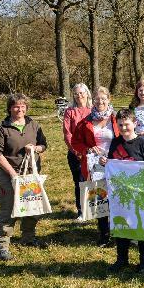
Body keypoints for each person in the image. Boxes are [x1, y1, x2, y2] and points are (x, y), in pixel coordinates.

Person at [0, 93, 49, 260]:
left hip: (31, 174)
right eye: (16, 106)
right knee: (9, 210)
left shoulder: (34, 125)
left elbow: (43, 144)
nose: (20, 109)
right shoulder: (2, 128)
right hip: (10, 175)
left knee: (32, 207)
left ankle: (28, 238)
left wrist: (36, 148)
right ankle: (2, 245)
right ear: (10, 108)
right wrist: (12, 174)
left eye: (23, 106)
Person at [102, 109, 144, 273]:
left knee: (142, 227)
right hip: (120, 193)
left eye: (126, 124)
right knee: (121, 225)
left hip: (140, 193)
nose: (124, 128)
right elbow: (112, 164)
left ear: (134, 123)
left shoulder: (143, 144)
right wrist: (106, 162)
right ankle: (121, 259)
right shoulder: (115, 143)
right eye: (120, 125)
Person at [71, 86, 120, 246]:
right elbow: (75, 142)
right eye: (97, 99)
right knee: (100, 197)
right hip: (94, 165)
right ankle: (104, 234)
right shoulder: (86, 121)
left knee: (116, 197)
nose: (100, 102)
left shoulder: (115, 119)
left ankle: (119, 232)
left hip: (114, 162)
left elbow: (125, 136)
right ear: (93, 100)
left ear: (109, 99)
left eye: (103, 99)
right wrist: (87, 149)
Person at [62, 83, 92, 219]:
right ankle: (81, 211)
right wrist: (76, 151)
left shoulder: (94, 109)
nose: (79, 96)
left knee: (94, 180)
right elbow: (67, 133)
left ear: (87, 93)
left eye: (82, 93)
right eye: (76, 93)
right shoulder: (70, 111)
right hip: (76, 153)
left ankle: (96, 208)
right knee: (79, 182)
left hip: (93, 152)